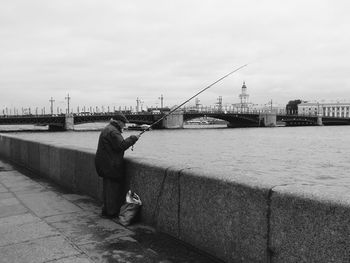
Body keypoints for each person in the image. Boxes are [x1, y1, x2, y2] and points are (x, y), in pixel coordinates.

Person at [95, 113, 139, 218]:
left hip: (105, 163)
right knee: (112, 190)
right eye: (124, 123)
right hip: (111, 165)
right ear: (119, 122)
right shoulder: (113, 131)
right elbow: (121, 146)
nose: (124, 125)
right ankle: (111, 212)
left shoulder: (108, 128)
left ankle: (106, 210)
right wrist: (133, 138)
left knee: (107, 189)